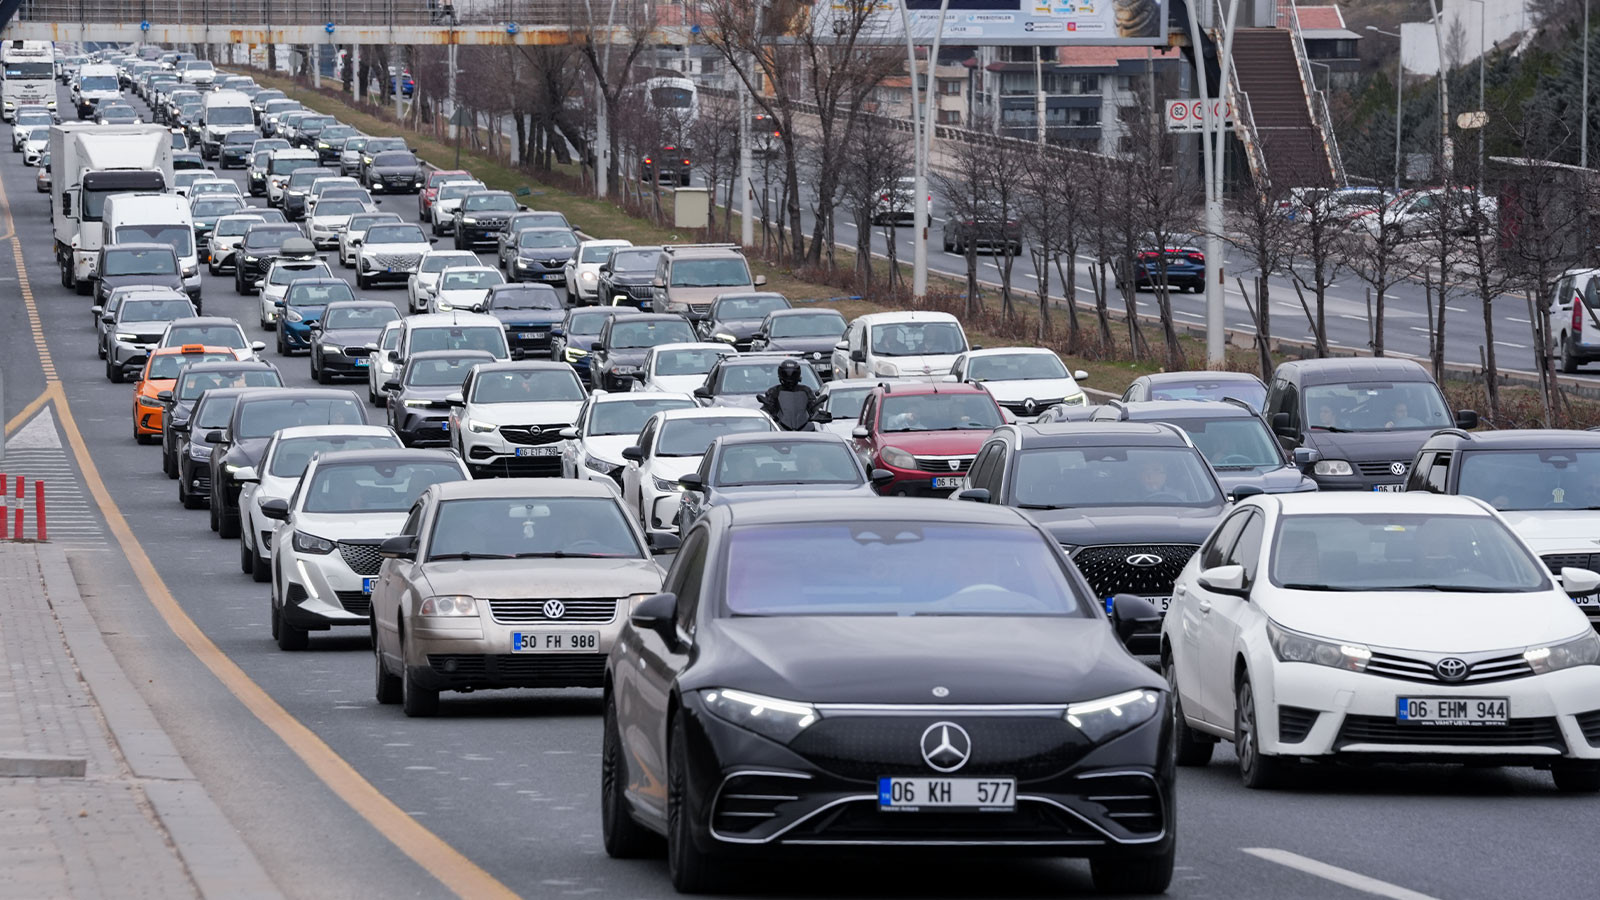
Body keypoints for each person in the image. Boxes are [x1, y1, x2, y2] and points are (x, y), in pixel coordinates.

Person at [759, 359, 820, 431]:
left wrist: (818, 412)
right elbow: (767, 407)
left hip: (803, 425)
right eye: (786, 374)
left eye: (793, 374)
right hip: (780, 425)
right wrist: (767, 414)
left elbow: (813, 405)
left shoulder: (805, 390)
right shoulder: (774, 391)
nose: (789, 377)